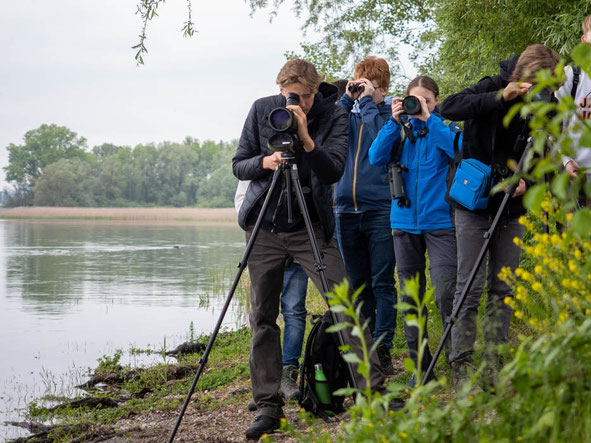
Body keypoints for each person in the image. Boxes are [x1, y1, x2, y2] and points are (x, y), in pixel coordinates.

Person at [232, 58, 392, 439]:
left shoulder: (332, 113)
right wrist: (266, 162)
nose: (295, 104)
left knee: (344, 303)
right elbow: (239, 165)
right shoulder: (261, 109)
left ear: (315, 90)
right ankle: (269, 407)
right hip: (266, 223)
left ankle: (373, 393)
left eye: (302, 97)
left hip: (310, 224)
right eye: (289, 95)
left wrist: (306, 138)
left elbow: (333, 170)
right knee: (263, 317)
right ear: (279, 86)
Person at [440, 44, 560, 389]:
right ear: (524, 72)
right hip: (474, 203)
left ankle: (494, 363)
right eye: (537, 81)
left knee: (503, 287)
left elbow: (546, 153)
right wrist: (499, 97)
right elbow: (450, 107)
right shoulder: (492, 84)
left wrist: (530, 181)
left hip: (513, 207)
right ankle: (461, 364)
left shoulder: (544, 102)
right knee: (470, 285)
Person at [368, 76, 461, 385]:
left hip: (440, 223)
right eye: (414, 100)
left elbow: (458, 152)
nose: (420, 105)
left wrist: (428, 118)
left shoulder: (444, 129)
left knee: (447, 290)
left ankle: (456, 357)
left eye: (427, 100)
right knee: (410, 298)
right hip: (404, 222)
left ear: (435, 102)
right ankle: (421, 367)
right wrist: (393, 123)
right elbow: (375, 158)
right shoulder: (399, 132)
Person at [333, 56, 397, 374]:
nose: (364, 91)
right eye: (360, 84)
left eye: (370, 86)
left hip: (380, 208)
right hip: (344, 209)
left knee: (382, 281)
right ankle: (363, 346)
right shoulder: (347, 113)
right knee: (358, 283)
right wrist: (348, 98)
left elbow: (380, 146)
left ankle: (384, 347)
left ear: (384, 88)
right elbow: (328, 133)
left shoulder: (388, 115)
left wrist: (372, 104)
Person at [234, 180, 309, 402]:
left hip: (299, 240)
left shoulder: (302, 157)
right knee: (261, 315)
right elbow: (242, 200)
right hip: (264, 244)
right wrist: (256, 230)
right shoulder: (258, 160)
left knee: (294, 310)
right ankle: (266, 383)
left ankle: (288, 372)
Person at [556, 14, 591, 205]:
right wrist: (566, 160)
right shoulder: (571, 76)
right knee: (573, 233)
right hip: (576, 172)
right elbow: (553, 123)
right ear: (584, 41)